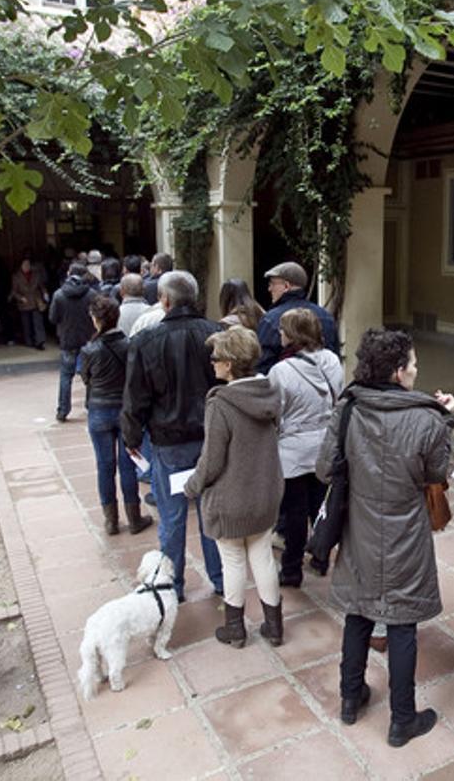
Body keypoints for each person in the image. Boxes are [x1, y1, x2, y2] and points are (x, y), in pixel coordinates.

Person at [316, 328, 454, 748]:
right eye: (413, 364)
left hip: (359, 525)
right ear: (398, 372)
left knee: (358, 612)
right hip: (406, 532)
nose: (417, 370)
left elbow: (326, 467)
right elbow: (436, 474)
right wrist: (445, 418)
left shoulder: (349, 407)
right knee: (401, 622)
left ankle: (349, 698)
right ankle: (402, 719)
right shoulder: (426, 417)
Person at [122, 270, 226, 603]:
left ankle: (174, 585)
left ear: (164, 300)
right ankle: (221, 578)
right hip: (210, 437)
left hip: (170, 442)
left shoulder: (146, 341)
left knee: (172, 517)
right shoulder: (217, 334)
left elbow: (135, 397)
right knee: (210, 511)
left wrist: (131, 436)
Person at [184, 327, 285, 649]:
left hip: (230, 498)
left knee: (233, 562)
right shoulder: (269, 392)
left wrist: (192, 485)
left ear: (228, 363)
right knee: (263, 558)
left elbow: (212, 460)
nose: (211, 363)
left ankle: (235, 629)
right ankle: (274, 627)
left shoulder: (221, 403)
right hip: (266, 494)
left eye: (215, 358)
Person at [266, 308, 344, 586]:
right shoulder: (333, 360)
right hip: (325, 444)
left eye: (283, 329)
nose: (279, 334)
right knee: (320, 506)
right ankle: (321, 557)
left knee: (294, 513)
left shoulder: (280, 370)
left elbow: (275, 412)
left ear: (292, 334)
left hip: (292, 451)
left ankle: (291, 570)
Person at [80, 296, 152, 537]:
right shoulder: (130, 345)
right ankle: (134, 518)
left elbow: (86, 378)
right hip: (125, 411)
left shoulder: (90, 349)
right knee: (128, 465)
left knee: (104, 466)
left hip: (99, 410)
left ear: (96, 319)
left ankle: (111, 521)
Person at [256, 261, 338, 374]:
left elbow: (263, 366)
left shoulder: (270, 319)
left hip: (284, 388)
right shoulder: (326, 317)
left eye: (272, 284)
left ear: (286, 286)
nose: (269, 289)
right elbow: (334, 358)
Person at [48, 262, 97, 422]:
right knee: (90, 375)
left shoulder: (59, 295)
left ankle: (63, 410)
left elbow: (53, 318)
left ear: (69, 274)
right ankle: (91, 406)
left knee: (65, 376)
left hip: (67, 339)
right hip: (88, 338)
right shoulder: (91, 294)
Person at [10, 256, 47, 351]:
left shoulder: (36, 275)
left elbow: (41, 286)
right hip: (24, 302)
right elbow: (14, 291)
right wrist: (20, 298)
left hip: (36, 301)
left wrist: (45, 293)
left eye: (28, 264)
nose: (27, 266)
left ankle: (40, 341)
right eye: (25, 264)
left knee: (38, 323)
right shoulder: (16, 276)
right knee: (26, 324)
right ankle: (29, 341)